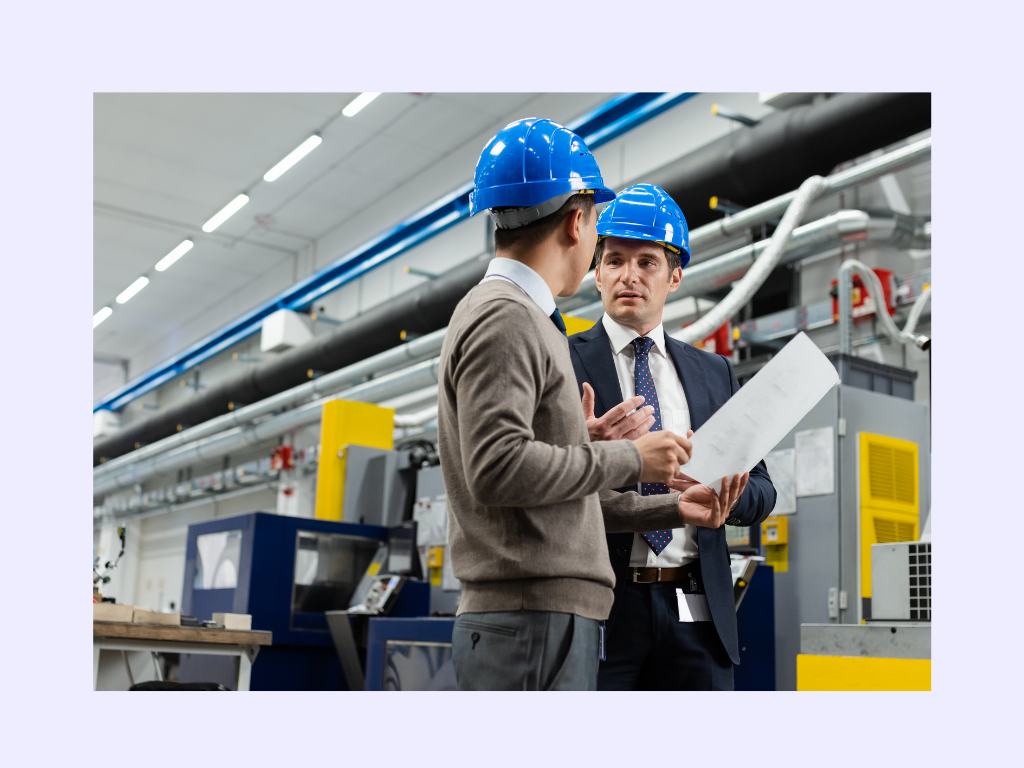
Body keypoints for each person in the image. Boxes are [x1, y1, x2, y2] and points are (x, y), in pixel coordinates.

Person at [437, 119, 739, 691]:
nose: (627, 273)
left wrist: (672, 507)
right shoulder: (508, 316)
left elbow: (557, 489)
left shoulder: (524, 317)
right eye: (606, 239)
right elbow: (498, 468)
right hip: (533, 613)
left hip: (561, 611)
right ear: (579, 222)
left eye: (647, 261)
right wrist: (630, 460)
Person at [568, 183, 777, 691]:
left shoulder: (715, 373)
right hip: (602, 609)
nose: (629, 276)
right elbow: (542, 480)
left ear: (675, 276)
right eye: (615, 260)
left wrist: (726, 494)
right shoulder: (561, 359)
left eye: (647, 263)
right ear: (596, 273)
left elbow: (764, 489)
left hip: (696, 607)